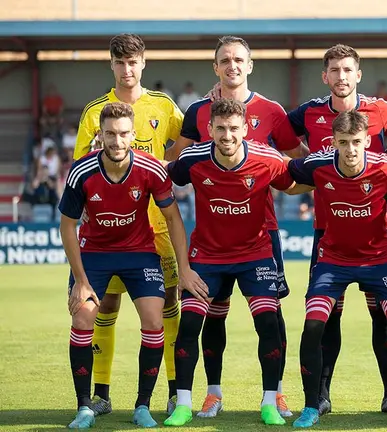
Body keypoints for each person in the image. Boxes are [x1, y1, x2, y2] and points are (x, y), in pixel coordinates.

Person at [167, 35, 303, 419]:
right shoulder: (197, 112)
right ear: (216, 67)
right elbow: (174, 166)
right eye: (225, 60)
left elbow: (296, 164)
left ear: (249, 64)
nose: (232, 66)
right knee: (211, 315)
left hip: (263, 233)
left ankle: (274, 395)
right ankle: (209, 394)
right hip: (211, 242)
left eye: (239, 59)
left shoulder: (272, 111)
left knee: (271, 317)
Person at [59, 102, 202, 429]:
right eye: (110, 134)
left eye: (123, 134)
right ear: (101, 135)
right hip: (94, 253)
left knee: (154, 321)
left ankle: (142, 405)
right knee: (83, 316)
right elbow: (68, 226)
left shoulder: (152, 169)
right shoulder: (82, 171)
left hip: (139, 253)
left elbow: (173, 219)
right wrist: (80, 281)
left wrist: (184, 269)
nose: (117, 141)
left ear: (133, 135)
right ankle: (84, 406)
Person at [287, 110, 387, 428]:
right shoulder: (318, 165)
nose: (350, 150)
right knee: (313, 326)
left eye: (356, 142)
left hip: (380, 261)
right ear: (333, 143)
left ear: (367, 141)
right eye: (343, 143)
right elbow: (284, 175)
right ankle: (311, 406)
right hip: (333, 262)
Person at [74, 33, 185, 416]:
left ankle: (173, 391)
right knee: (105, 303)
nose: (127, 69)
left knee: (167, 304)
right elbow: (80, 168)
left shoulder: (164, 107)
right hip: (109, 231)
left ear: (143, 63)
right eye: (120, 63)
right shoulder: (94, 112)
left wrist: (168, 165)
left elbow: (186, 140)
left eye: (133, 62)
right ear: (111, 65)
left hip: (156, 228)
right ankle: (101, 393)